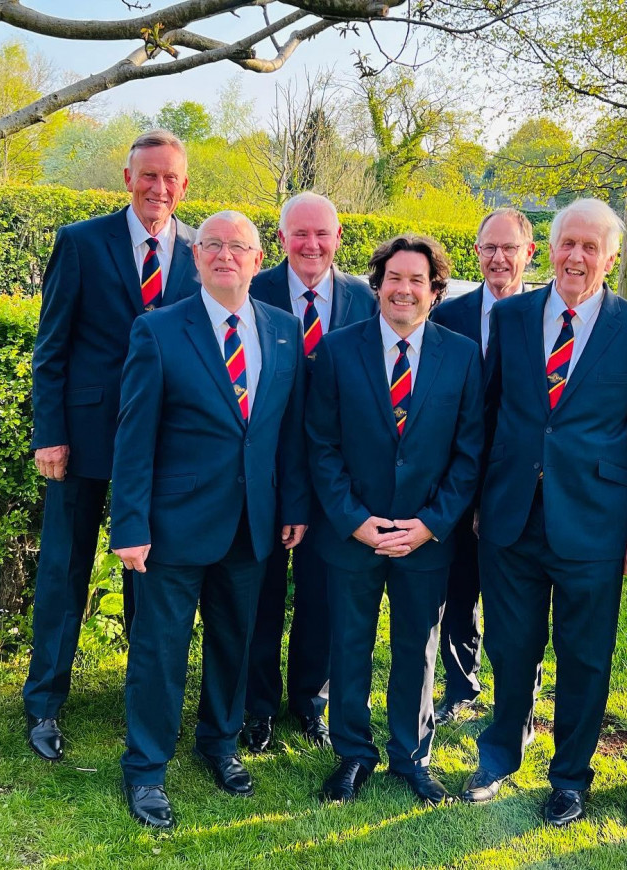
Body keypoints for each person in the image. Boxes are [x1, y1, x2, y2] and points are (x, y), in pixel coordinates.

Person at [462, 199, 627, 826]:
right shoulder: (514, 316)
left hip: (594, 524)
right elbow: (487, 414)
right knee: (511, 644)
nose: (576, 256)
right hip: (511, 516)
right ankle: (500, 754)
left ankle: (570, 776)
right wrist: (475, 500)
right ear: (548, 249)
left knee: (585, 655)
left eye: (590, 247)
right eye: (566, 243)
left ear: (611, 257)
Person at [109, 211, 310, 829]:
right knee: (160, 650)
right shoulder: (160, 331)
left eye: (238, 247)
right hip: (173, 525)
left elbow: (289, 432)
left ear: (256, 260)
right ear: (196, 259)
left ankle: (219, 743)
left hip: (253, 522)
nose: (225, 255)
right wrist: (130, 526)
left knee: (236, 642)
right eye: (213, 246)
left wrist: (295, 507)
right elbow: (134, 437)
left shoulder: (282, 330)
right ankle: (146, 768)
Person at [24, 130, 199, 763]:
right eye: (147, 176)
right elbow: (52, 347)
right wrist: (51, 432)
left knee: (146, 577)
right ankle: (43, 701)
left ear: (183, 185)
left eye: (170, 179)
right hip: (85, 440)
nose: (158, 189)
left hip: (163, 451)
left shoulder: (198, 250)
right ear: (127, 177)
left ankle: (141, 702)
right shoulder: (80, 242)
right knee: (63, 572)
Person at [306, 235, 483, 806]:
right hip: (354, 534)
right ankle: (353, 753)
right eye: (394, 278)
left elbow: (469, 453)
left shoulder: (461, 355)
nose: (403, 289)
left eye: (417, 280)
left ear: (435, 291)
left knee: (417, 646)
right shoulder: (336, 351)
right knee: (350, 646)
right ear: (377, 283)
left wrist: (432, 523)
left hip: (425, 538)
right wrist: (354, 520)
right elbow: (322, 446)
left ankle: (412, 756)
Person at [243, 192, 376, 753]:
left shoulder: (366, 298)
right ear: (280, 240)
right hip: (265, 471)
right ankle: (256, 705)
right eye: (300, 234)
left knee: (324, 596)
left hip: (336, 474)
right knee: (261, 592)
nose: (312, 245)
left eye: (322, 234)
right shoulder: (254, 289)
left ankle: (309, 700)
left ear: (339, 238)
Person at [428, 208, 536, 725]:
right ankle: (461, 684)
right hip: (457, 477)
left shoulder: (545, 319)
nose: (498, 258)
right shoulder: (448, 316)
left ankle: (519, 693)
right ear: (476, 253)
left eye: (508, 248)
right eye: (489, 248)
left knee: (515, 602)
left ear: (527, 254)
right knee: (457, 590)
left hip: (519, 484)